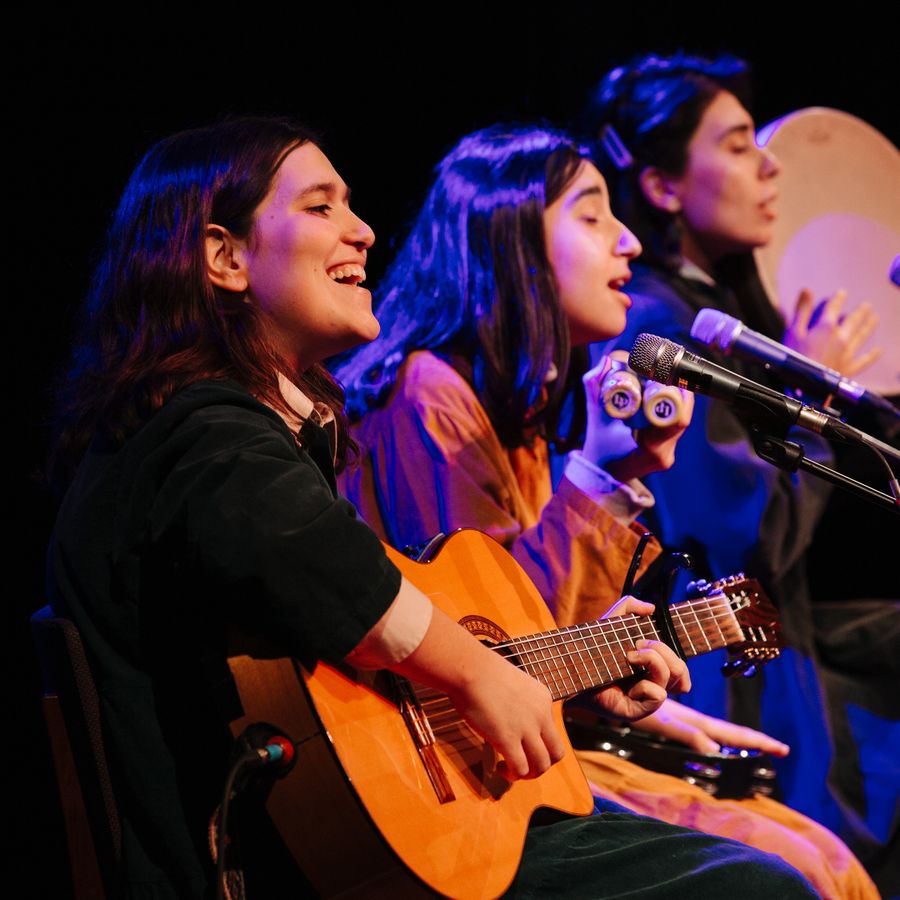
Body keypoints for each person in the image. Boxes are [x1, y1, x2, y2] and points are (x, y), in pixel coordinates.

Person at [45, 116, 815, 899]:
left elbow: (357, 663)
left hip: (350, 842)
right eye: (320, 208)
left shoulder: (238, 435)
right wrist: (483, 675)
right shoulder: (202, 434)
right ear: (226, 257)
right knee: (760, 885)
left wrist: (573, 669)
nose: (365, 231)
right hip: (281, 868)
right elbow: (334, 575)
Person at [335, 124, 876, 899]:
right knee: (792, 875)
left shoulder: (513, 413)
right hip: (461, 782)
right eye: (591, 216)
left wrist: (641, 711)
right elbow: (496, 643)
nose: (626, 241)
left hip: (547, 744)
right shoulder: (428, 394)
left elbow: (544, 643)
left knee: (827, 861)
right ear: (510, 239)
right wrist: (601, 477)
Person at [584, 52, 897, 892]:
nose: (770, 166)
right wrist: (816, 401)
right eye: (735, 144)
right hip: (720, 671)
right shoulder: (654, 321)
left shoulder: (700, 308)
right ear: (660, 187)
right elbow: (740, 532)